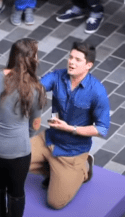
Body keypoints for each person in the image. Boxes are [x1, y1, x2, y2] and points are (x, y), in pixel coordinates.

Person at [29, 42, 110, 209]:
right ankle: (52, 169)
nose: (71, 62)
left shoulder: (97, 91)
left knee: (55, 203)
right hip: (49, 140)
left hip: (72, 152)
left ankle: (82, 170)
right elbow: (37, 88)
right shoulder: (58, 76)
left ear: (88, 65)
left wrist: (70, 128)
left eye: (78, 60)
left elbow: (102, 128)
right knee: (13, 158)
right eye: (71, 57)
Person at [0, 38, 46, 217]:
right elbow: (35, 125)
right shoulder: (35, 89)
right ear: (31, 59)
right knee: (16, 191)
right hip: (16, 149)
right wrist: (22, 133)